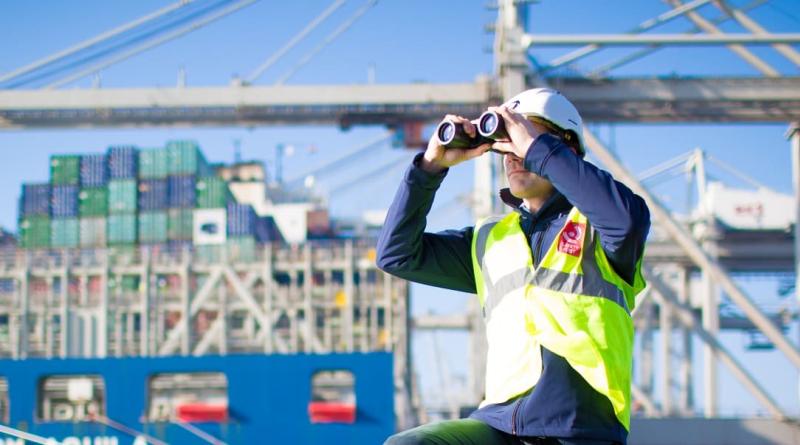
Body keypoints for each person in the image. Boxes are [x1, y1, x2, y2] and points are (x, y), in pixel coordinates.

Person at [376, 88, 650, 445]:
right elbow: (396, 254)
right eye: (505, 142)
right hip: (500, 425)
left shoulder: (602, 227)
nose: (513, 153)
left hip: (581, 427)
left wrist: (535, 147)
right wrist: (431, 166)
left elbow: (627, 222)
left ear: (564, 149)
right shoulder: (490, 239)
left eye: (523, 137)